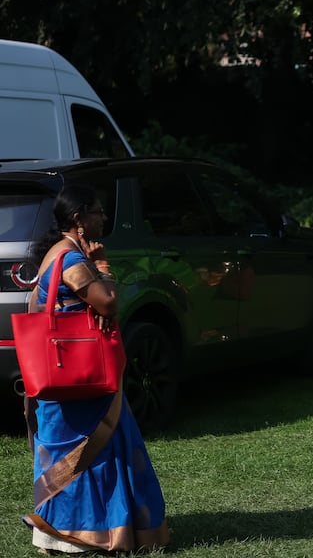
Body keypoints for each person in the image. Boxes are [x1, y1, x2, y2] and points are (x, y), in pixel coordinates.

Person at [21, 184, 169, 553]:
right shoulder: (71, 260)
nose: (104, 217)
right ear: (79, 220)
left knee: (78, 451)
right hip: (79, 377)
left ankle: (62, 531)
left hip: (62, 372)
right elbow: (109, 302)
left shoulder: (58, 254)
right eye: (98, 211)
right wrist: (103, 268)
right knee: (95, 451)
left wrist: (93, 311)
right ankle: (86, 535)